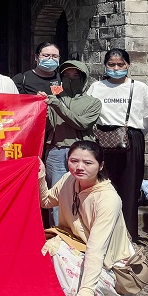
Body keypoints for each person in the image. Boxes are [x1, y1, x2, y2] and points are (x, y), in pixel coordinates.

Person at [39, 140, 145, 296]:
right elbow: (46, 201)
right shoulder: (69, 179)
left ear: (101, 165)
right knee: (47, 245)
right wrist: (40, 176)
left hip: (109, 264)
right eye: (74, 161)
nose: (79, 167)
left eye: (88, 163)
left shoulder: (108, 199)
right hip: (78, 247)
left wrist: (87, 290)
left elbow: (96, 249)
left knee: (56, 249)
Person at [86, 48, 148, 243]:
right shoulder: (96, 87)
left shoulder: (139, 87)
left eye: (120, 64)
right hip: (103, 138)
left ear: (128, 65)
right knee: (104, 187)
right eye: (111, 64)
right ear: (105, 66)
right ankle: (104, 234)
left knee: (130, 187)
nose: (116, 68)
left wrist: (134, 136)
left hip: (131, 138)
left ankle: (128, 235)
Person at [42, 60, 102, 226]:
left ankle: (84, 231)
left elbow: (82, 123)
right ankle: (58, 234)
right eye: (66, 75)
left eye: (75, 76)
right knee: (56, 196)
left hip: (82, 153)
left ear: (83, 78)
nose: (70, 79)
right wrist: (42, 107)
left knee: (84, 193)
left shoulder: (93, 102)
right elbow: (48, 126)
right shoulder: (55, 98)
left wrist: (58, 107)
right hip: (56, 151)